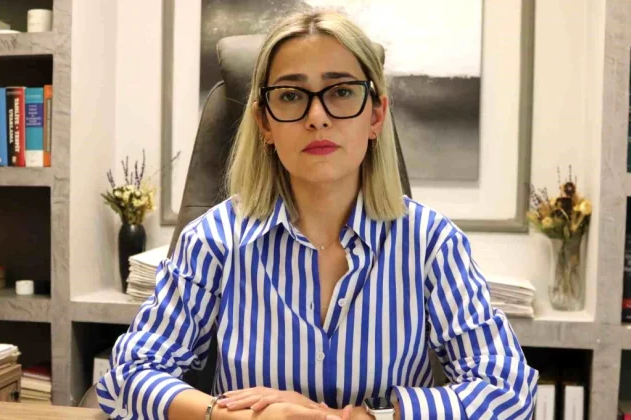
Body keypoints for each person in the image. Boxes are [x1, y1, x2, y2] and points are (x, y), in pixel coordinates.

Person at [97, 8, 538, 420]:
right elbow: (126, 377)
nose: (317, 117)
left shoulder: (430, 242)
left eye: (341, 92)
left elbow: (509, 391)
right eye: (291, 96)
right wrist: (230, 417)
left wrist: (365, 418)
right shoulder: (214, 239)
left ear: (376, 115)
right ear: (265, 123)